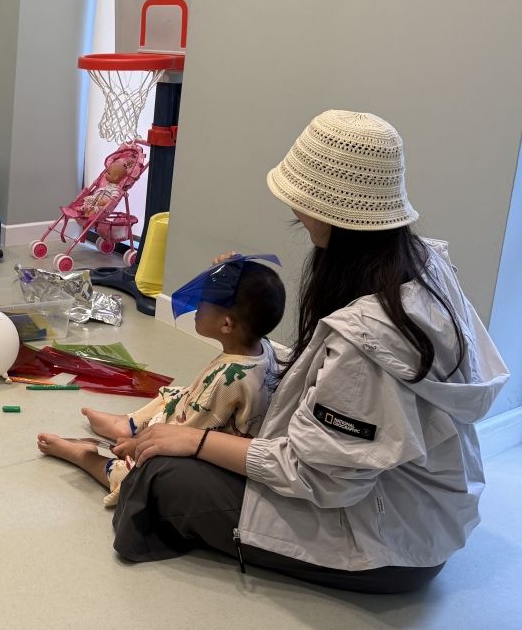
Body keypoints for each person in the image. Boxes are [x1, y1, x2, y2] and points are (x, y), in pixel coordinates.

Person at [112, 110, 509, 594]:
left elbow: (320, 478)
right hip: (422, 516)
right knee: (197, 419)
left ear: (323, 208)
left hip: (385, 547)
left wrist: (193, 443)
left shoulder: (369, 340)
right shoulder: (418, 263)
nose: (293, 211)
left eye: (297, 200)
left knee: (162, 475)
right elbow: (325, 378)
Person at [37, 257, 285, 506]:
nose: (197, 306)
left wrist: (137, 446)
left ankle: (85, 456)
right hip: (215, 431)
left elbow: (184, 435)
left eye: (203, 302)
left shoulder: (225, 381)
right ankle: (127, 424)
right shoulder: (263, 348)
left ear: (226, 324)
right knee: (175, 394)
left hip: (205, 453)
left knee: (133, 478)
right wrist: (229, 268)